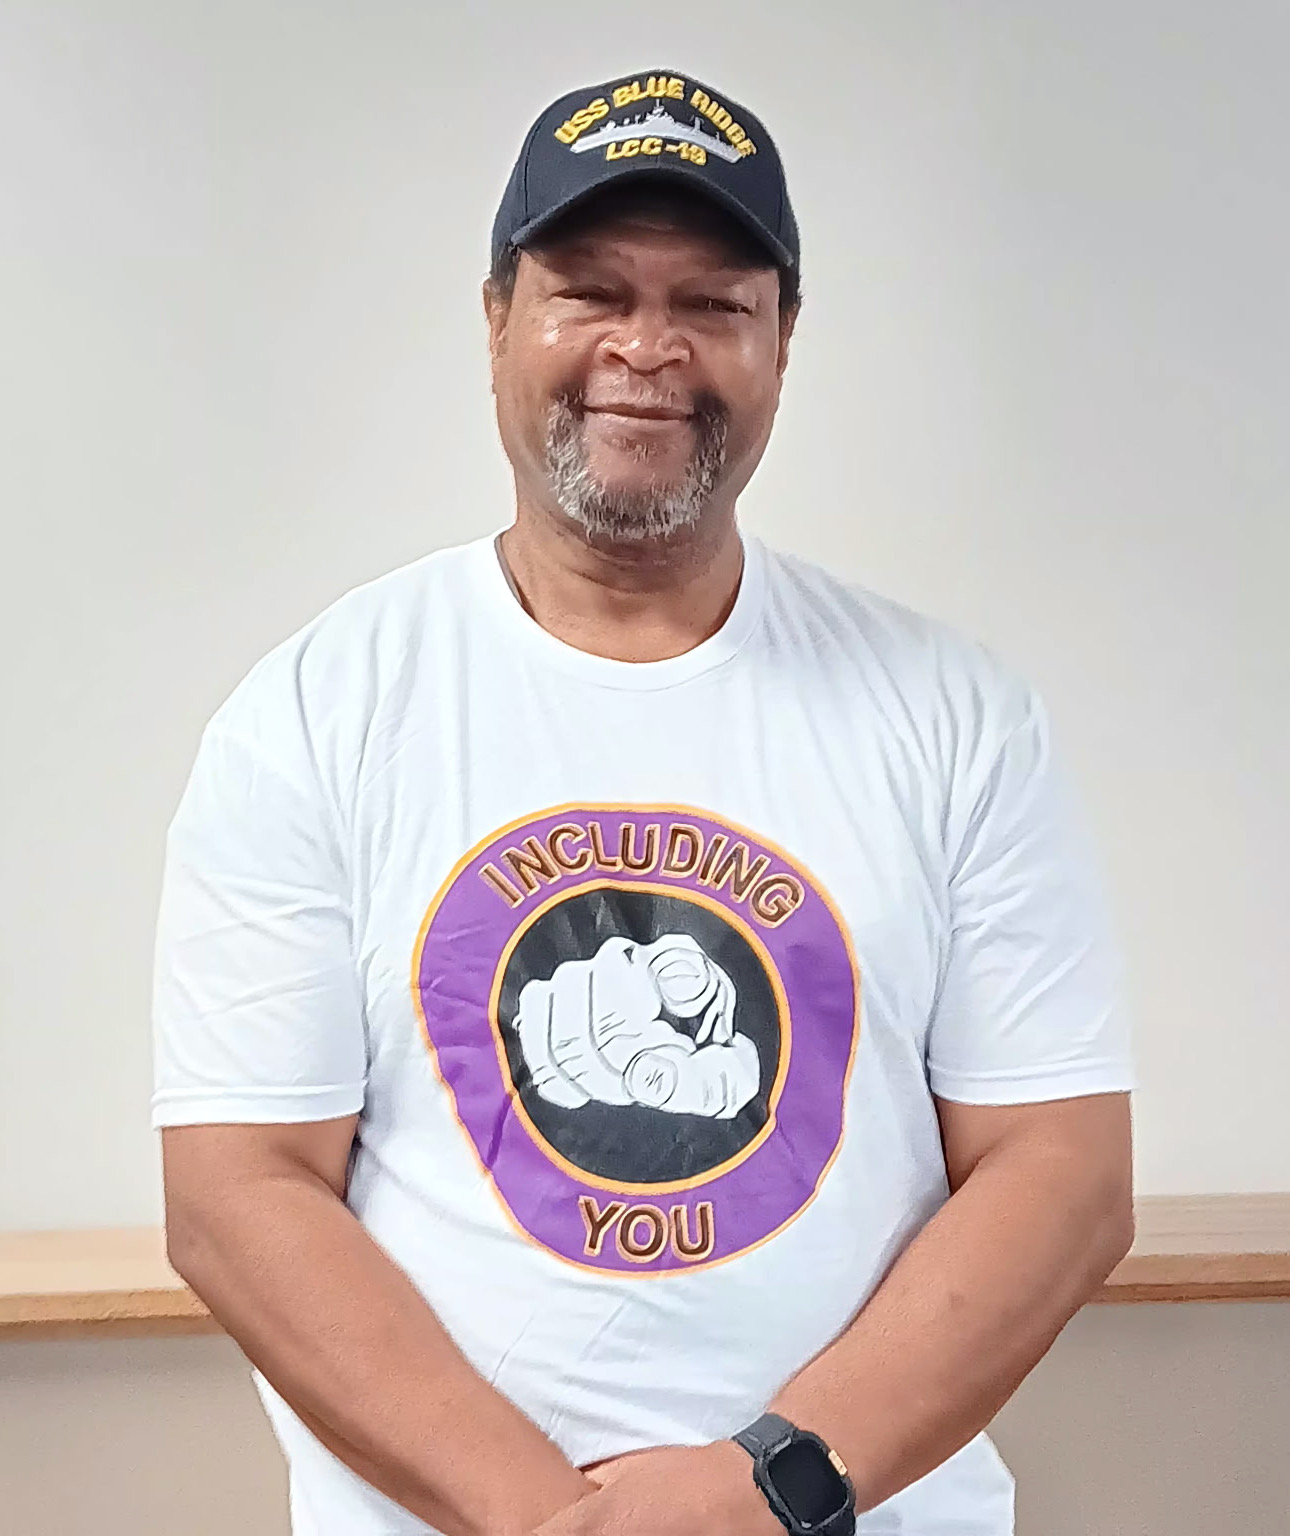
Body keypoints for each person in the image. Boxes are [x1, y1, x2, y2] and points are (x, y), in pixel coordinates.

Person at [153, 67, 1135, 1536]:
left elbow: (1062, 1171)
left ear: (782, 342)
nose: (647, 347)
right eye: (590, 291)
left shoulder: (956, 717)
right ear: (498, 319)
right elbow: (240, 1194)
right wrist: (558, 1524)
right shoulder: (315, 713)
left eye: (713, 302)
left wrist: (770, 1488)